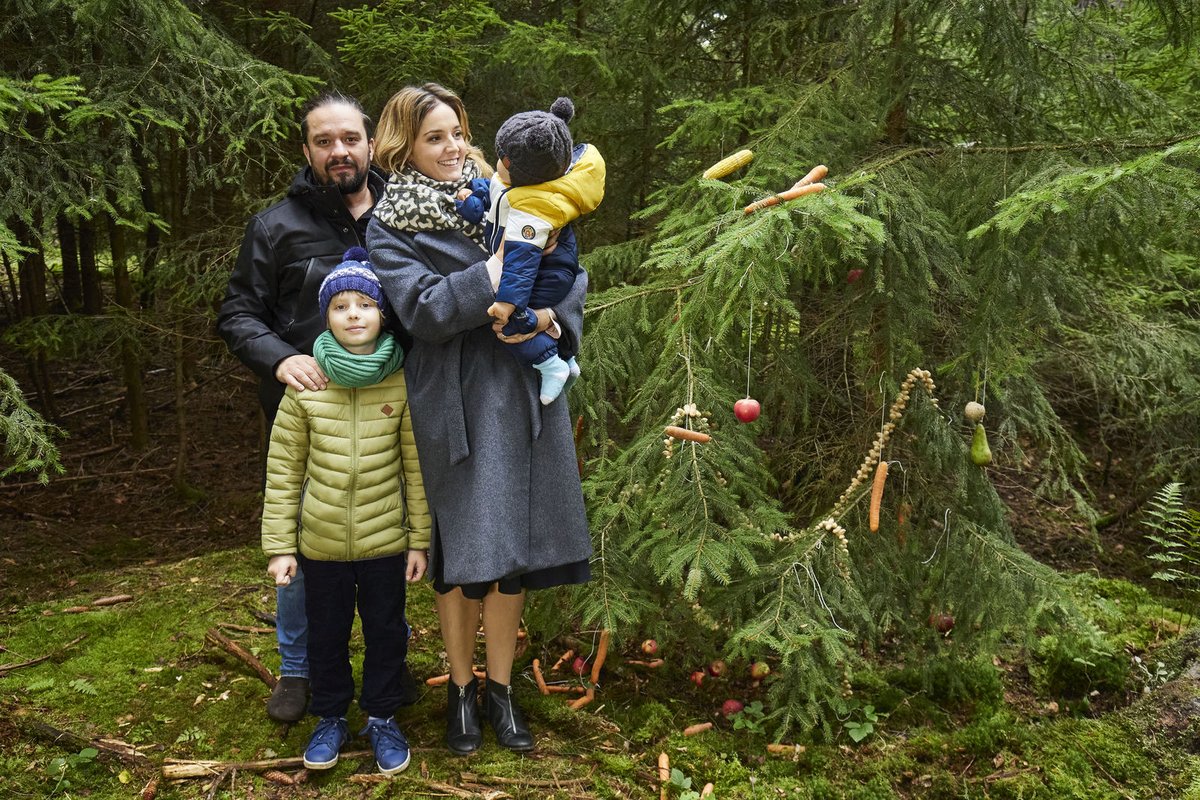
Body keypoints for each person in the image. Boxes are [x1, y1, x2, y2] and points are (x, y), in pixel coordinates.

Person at [365, 83, 592, 756]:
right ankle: (459, 692)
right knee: (465, 553)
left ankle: (501, 689)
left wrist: (551, 318)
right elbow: (422, 309)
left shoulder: (507, 193)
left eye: (459, 133)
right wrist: (492, 273)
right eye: (435, 137)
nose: (453, 147)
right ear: (404, 146)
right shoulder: (390, 223)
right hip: (456, 397)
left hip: (523, 389)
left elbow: (570, 267)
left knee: (513, 553)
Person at [216, 90, 417, 722]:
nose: (339, 152)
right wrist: (279, 357)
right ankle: (299, 670)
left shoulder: (402, 214)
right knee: (307, 534)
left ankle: (391, 665)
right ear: (307, 149)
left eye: (350, 139)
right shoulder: (276, 226)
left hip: (391, 404)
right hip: (305, 411)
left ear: (369, 143)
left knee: (395, 530)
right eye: (324, 141)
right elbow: (238, 312)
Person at [261, 252, 430, 776]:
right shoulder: (306, 386)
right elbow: (284, 472)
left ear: (382, 314)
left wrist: (419, 540)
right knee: (326, 636)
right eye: (340, 306)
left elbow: (415, 469)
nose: (353, 314)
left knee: (386, 632)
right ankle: (330, 716)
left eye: (364, 304)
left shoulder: (400, 383)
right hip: (321, 544)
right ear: (326, 316)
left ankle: (381, 716)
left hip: (385, 544)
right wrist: (280, 548)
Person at [452, 97, 605, 405]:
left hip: (548, 273)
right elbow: (492, 193)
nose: (496, 163)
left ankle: (551, 365)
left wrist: (508, 303)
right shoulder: (512, 182)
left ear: (514, 165)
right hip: (537, 266)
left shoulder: (532, 209)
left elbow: (520, 262)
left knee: (510, 326)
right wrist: (470, 202)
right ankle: (567, 358)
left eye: (501, 158)